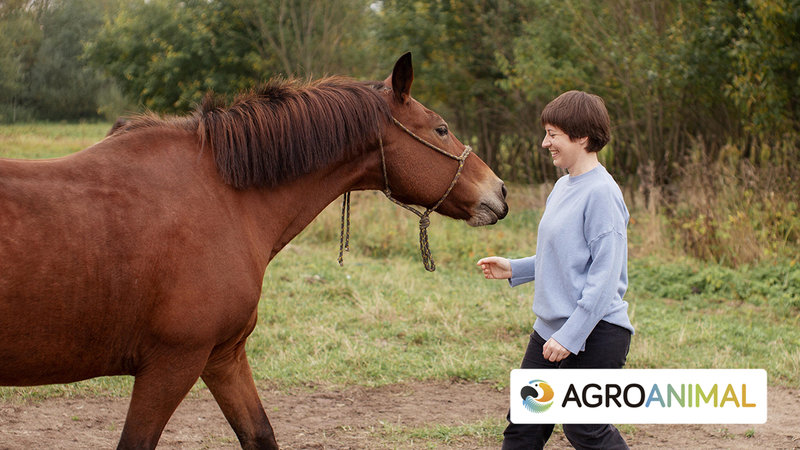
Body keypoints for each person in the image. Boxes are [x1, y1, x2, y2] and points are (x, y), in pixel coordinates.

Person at [477, 90, 634, 449]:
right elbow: (566, 257)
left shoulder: (602, 194)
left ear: (582, 137)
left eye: (553, 134)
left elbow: (604, 279)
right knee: (525, 424)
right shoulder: (563, 185)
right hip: (551, 328)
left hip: (597, 331)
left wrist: (570, 336)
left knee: (584, 428)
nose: (544, 142)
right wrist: (516, 268)